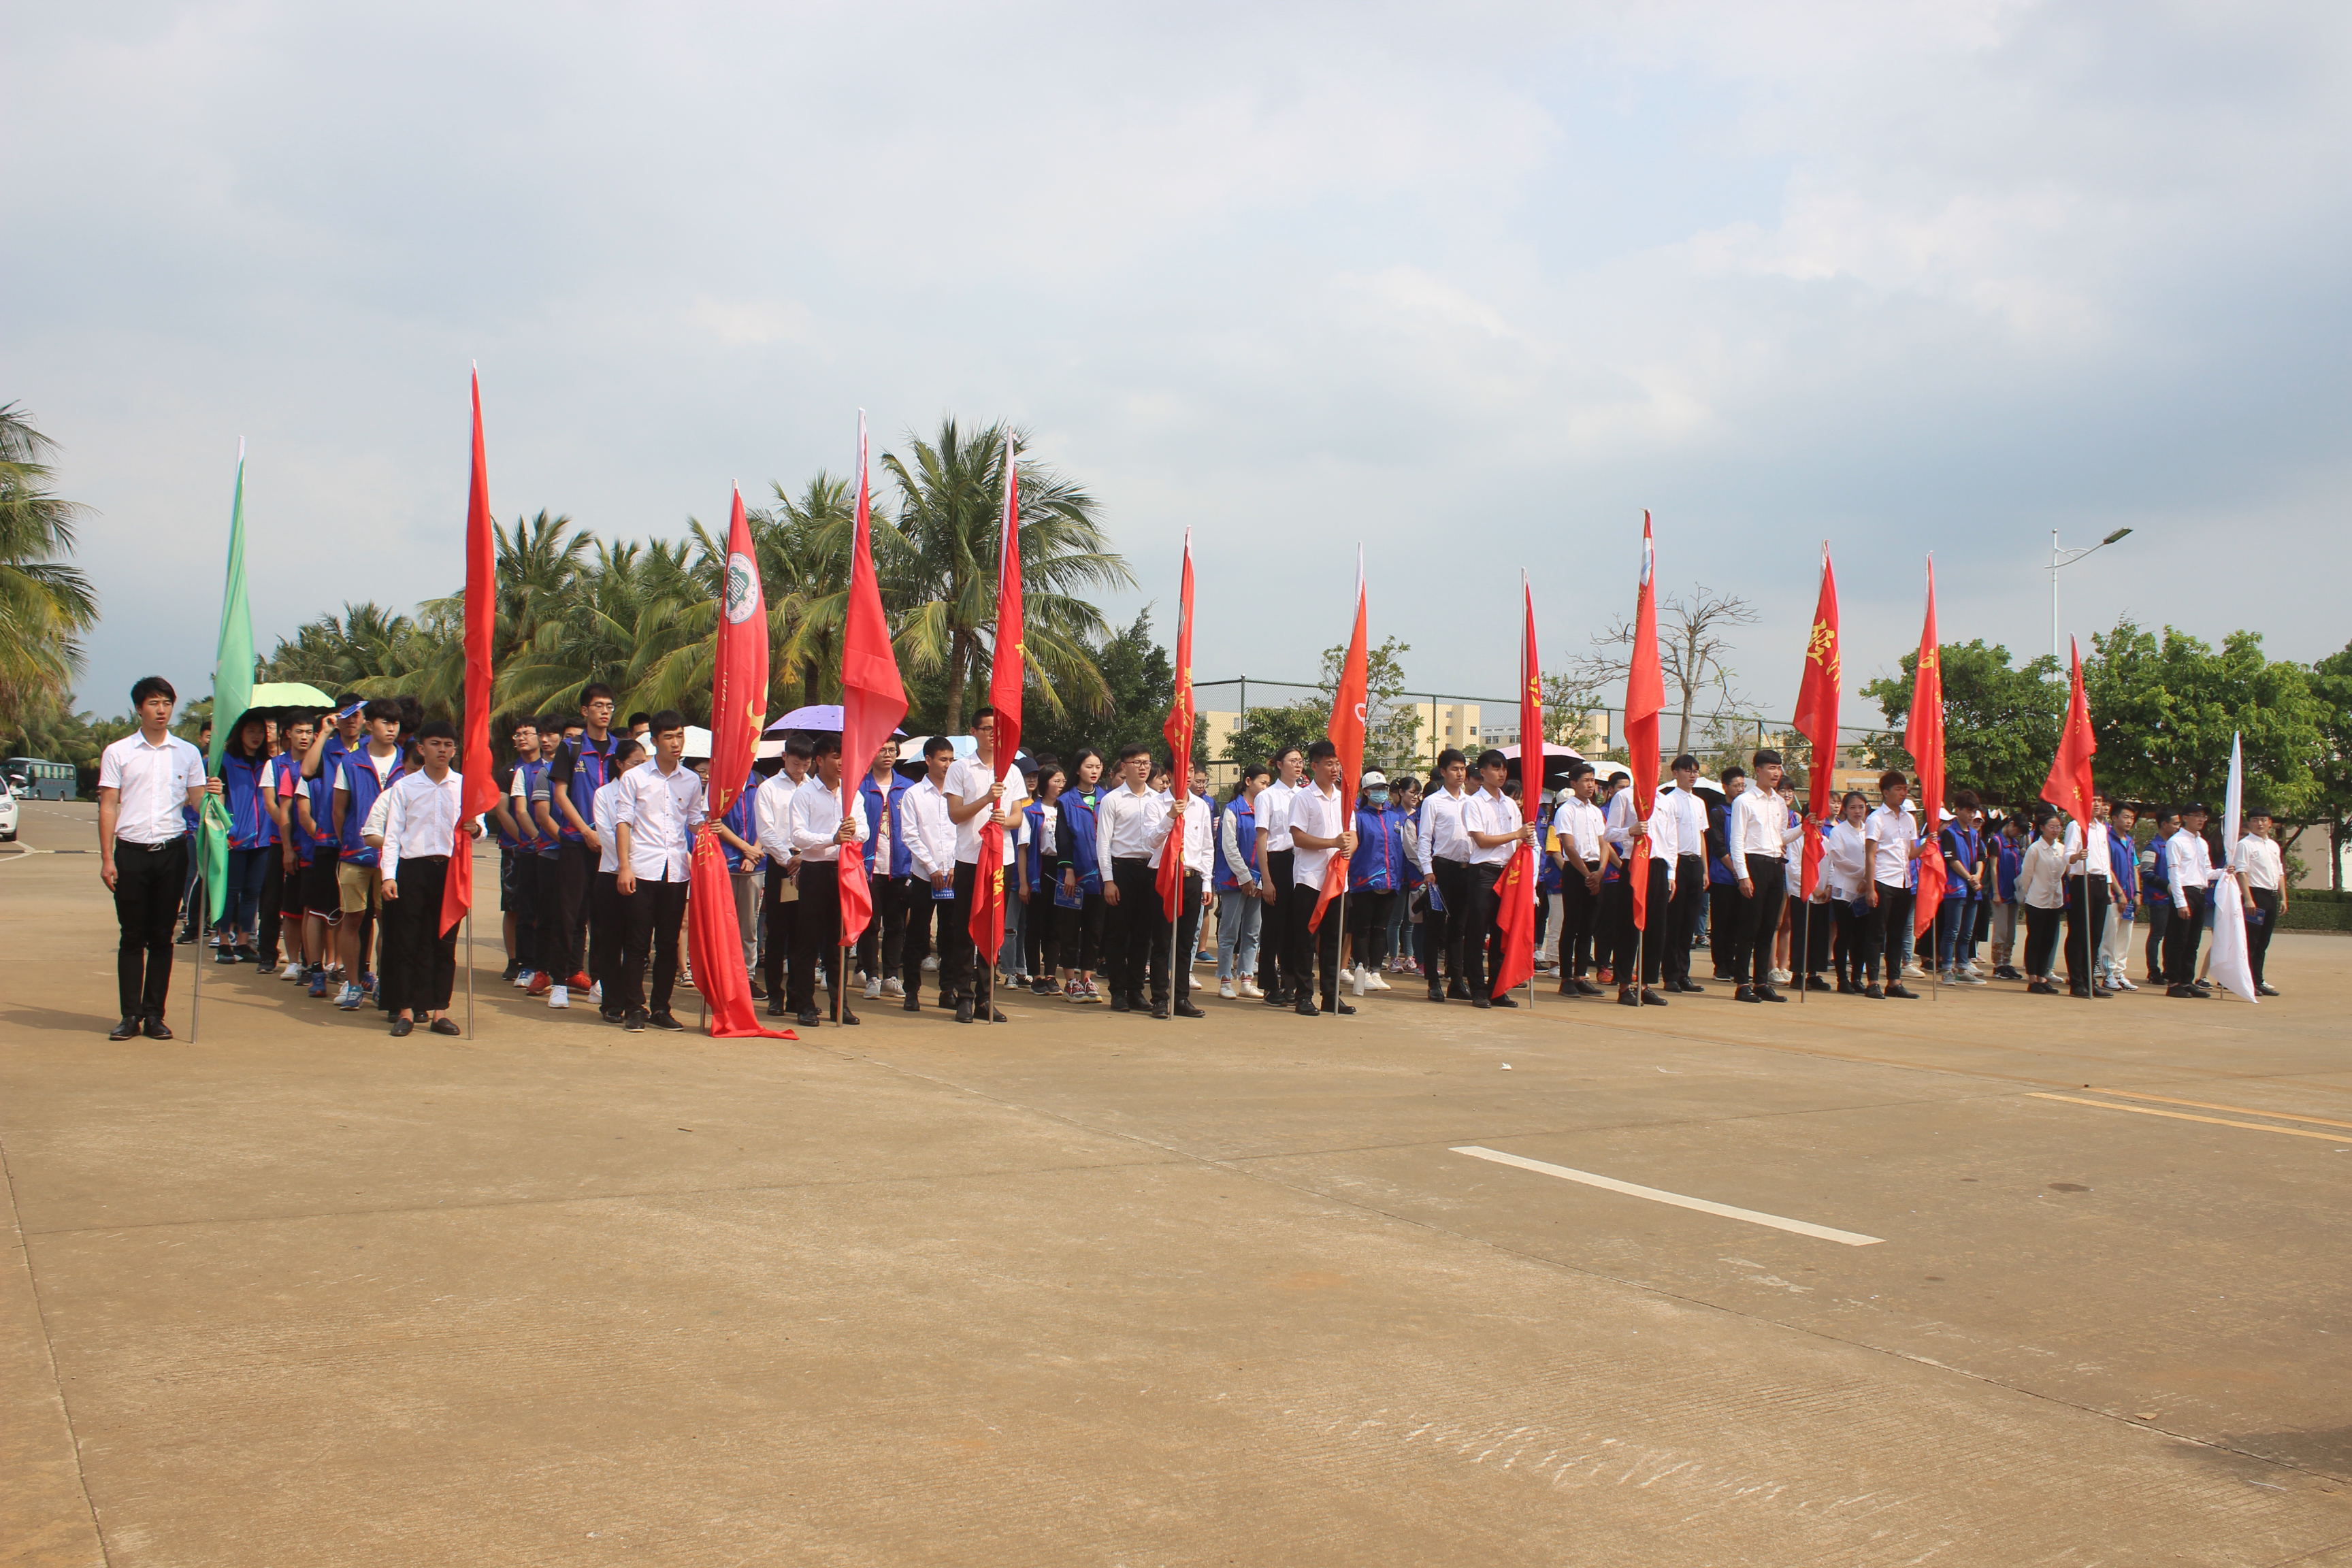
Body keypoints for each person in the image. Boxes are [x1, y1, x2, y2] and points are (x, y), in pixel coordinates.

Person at [96, 676, 208, 1039]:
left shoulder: (187, 753)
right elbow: (108, 806)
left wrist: (211, 794)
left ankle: (154, 1015)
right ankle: (130, 1015)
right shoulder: (119, 752)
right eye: (154, 703)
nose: (161, 711)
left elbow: (197, 802)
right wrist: (107, 858)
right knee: (132, 936)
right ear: (139, 708)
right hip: (131, 852)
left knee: (162, 937)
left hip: (171, 852)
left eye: (167, 703)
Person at [378, 719, 475, 1036]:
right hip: (412, 868)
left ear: (455, 750)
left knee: (444, 943)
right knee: (406, 942)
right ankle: (405, 1010)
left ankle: (439, 1011)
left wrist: (477, 828)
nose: (442, 750)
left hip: (449, 872)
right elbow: (392, 835)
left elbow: (478, 827)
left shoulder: (463, 786)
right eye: (435, 744)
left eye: (448, 745)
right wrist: (388, 876)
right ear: (422, 748)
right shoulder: (405, 787)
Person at [612, 711, 702, 1032]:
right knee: (637, 942)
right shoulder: (635, 778)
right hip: (643, 867)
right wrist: (624, 866)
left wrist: (710, 825)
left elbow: (693, 820)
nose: (676, 743)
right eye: (668, 737)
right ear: (654, 741)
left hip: (676, 870)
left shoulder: (691, 780)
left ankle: (662, 1007)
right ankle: (634, 1007)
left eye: (679, 736)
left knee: (668, 942)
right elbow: (624, 822)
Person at [538, 683, 623, 1011]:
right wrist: (585, 832)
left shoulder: (619, 748)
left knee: (604, 918)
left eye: (609, 705)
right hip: (576, 842)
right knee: (568, 914)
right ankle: (559, 980)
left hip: (612, 847)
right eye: (598, 705)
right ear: (585, 711)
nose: (605, 711)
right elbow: (560, 794)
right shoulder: (571, 748)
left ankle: (599, 981)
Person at [941, 708, 1026, 1024]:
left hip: (999, 860)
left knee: (993, 930)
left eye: (997, 729)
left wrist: (1007, 819)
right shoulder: (961, 769)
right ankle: (963, 995)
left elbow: (1018, 816)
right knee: (966, 929)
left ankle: (987, 997)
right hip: (970, 859)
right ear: (974, 731)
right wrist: (987, 799)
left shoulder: (1012, 771)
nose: (993, 734)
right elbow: (956, 814)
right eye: (987, 728)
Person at [781, 735, 870, 1026]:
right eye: (836, 756)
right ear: (819, 760)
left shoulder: (852, 794)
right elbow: (798, 836)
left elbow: (865, 832)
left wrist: (854, 831)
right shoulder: (805, 795)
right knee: (807, 941)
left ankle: (839, 1004)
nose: (842, 762)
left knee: (839, 942)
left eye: (845, 756)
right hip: (815, 871)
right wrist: (830, 839)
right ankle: (804, 1004)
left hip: (844, 872)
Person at [1096, 743, 1171, 1015]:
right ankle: (1117, 991)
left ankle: (1136, 990)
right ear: (1124, 766)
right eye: (1137, 762)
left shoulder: (1159, 799)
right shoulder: (1112, 800)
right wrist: (1108, 880)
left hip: (1150, 870)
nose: (1143, 767)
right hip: (1122, 869)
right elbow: (1103, 843)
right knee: (1119, 933)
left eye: (1147, 762)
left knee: (1144, 935)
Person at [1283, 740, 1357, 1016]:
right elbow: (1298, 837)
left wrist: (1349, 846)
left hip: (1338, 881)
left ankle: (1331, 995)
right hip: (1310, 880)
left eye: (1337, 763)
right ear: (1314, 766)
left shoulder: (1344, 798)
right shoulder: (1303, 798)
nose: (1335, 769)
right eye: (1328, 763)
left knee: (1333, 940)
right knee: (1304, 940)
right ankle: (1303, 995)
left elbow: (1352, 835)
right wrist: (1333, 843)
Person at [1601, 760, 1676, 1007]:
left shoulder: (1665, 800)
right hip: (1633, 864)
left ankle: (1645, 984)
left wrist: (1671, 873)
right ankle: (1624, 985)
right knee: (1629, 926)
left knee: (1656, 927)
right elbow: (1609, 833)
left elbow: (1671, 839)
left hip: (1657, 865)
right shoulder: (1625, 797)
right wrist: (1630, 831)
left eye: (1656, 766)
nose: (1653, 770)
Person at [1729, 750, 1803, 1003]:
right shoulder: (1745, 801)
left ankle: (1761, 981)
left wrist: (1805, 827)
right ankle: (1741, 983)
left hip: (1775, 865)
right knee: (1749, 928)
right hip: (1754, 864)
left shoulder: (1779, 803)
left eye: (1779, 768)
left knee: (1768, 927)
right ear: (1758, 771)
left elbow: (1781, 837)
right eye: (1771, 768)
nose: (1776, 773)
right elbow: (1737, 841)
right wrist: (1743, 876)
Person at [896, 736, 957, 1011]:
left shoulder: (959, 793)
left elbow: (965, 832)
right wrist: (931, 866)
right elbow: (910, 834)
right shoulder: (914, 794)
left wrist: (955, 865)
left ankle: (948, 989)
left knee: (951, 934)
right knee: (918, 934)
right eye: (943, 759)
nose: (948, 765)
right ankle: (912, 990)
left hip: (954, 875)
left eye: (951, 760)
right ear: (929, 760)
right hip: (924, 875)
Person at [586, 736, 644, 1022]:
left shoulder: (648, 790)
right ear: (620, 764)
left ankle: (634, 1000)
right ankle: (611, 1001)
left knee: (637, 942)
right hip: (611, 872)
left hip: (644, 874)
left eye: (644, 764)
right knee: (609, 941)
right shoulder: (605, 794)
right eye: (635, 764)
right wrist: (630, 859)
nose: (640, 769)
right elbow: (607, 835)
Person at [211, 713, 277, 963]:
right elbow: (217, 800)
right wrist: (223, 832)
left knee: (252, 892)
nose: (256, 736)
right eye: (250, 731)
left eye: (260, 731)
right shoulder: (227, 762)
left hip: (262, 839)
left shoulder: (268, 763)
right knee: (230, 892)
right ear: (240, 733)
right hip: (235, 838)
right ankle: (223, 942)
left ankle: (243, 942)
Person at [1150, 762, 1213, 1018]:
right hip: (1166, 877)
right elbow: (1150, 840)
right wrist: (1170, 817)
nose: (1186, 776)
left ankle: (1181, 997)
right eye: (1181, 770)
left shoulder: (1200, 806)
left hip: (1192, 878)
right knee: (1163, 941)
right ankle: (1160, 999)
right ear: (1168, 774)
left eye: (1190, 770)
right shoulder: (1156, 804)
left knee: (1186, 942)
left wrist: (1207, 882)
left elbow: (1207, 847)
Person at [858, 738, 915, 1000]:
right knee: (870, 924)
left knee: (896, 924)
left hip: (899, 866)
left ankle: (892, 975)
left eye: (892, 750)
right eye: (882, 750)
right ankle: (871, 976)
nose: (887, 755)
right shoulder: (860, 786)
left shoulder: (907, 788)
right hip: (868, 865)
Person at [1345, 770, 1410, 996]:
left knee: (1381, 928)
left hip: (1391, 881)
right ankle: (1362, 970)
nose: (1381, 793)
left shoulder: (1395, 818)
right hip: (1365, 881)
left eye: (1384, 789)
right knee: (1362, 929)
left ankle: (1376, 971)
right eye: (1376, 789)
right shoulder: (1359, 817)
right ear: (1365, 792)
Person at [1417, 748, 1474, 1003]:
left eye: (1462, 768)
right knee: (1435, 927)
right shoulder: (1434, 802)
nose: (1460, 773)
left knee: (1459, 928)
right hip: (1442, 870)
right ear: (1443, 772)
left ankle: (1457, 980)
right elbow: (1424, 838)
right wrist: (1428, 871)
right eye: (1454, 769)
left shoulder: (1471, 801)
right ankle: (1433, 981)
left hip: (1467, 869)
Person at [1859, 770, 1922, 1000]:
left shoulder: (1909, 818)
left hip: (1904, 881)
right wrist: (1870, 887)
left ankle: (1894, 981)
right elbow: (1870, 854)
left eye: (1905, 788)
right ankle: (1873, 981)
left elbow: (1912, 853)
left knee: (1897, 934)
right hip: (1883, 880)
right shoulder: (1876, 819)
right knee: (1877, 933)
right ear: (1885, 792)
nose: (1903, 793)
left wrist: (1930, 843)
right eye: (1898, 789)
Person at [1550, 763, 1610, 997]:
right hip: (1577, 871)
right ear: (1573, 784)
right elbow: (1569, 846)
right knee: (1572, 924)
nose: (1590, 785)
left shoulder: (1596, 812)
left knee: (1589, 926)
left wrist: (1601, 870)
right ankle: (1566, 977)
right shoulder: (1567, 810)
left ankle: (1581, 975)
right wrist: (1587, 875)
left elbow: (1603, 843)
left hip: (1596, 869)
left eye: (1592, 780)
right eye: (1585, 780)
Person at [1054, 749, 1109, 1002]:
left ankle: (1087, 978)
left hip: (1101, 876)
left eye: (1098, 766)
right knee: (1069, 928)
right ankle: (1070, 981)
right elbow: (1063, 839)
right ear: (1078, 770)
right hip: (1074, 876)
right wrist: (1068, 870)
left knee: (1094, 928)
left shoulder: (1107, 799)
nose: (1094, 771)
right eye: (1089, 766)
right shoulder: (1066, 801)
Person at [1256, 746, 1307, 1006]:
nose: (1298, 765)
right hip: (1276, 862)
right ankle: (1268, 985)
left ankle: (1291, 984)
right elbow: (1262, 839)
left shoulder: (1305, 795)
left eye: (1301, 761)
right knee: (1273, 928)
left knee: (1295, 928)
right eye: (1293, 761)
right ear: (1279, 765)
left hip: (1300, 863)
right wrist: (1266, 879)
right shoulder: (1268, 797)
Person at [1655, 756, 1712, 994]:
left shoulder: (1699, 802)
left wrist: (1706, 869)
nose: (1692, 775)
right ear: (1675, 772)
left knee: (1690, 921)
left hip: (1694, 862)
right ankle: (1670, 975)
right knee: (1674, 921)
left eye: (1696, 771)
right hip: (1676, 861)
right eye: (1688, 771)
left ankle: (1684, 973)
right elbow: (1668, 836)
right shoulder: (1669, 801)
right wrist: (1671, 868)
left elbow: (1701, 836)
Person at [707, 762, 764, 990]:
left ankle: (747, 977)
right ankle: (724, 975)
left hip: (756, 864)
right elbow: (715, 823)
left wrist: (753, 854)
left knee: (749, 925)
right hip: (725, 862)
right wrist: (744, 848)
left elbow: (767, 823)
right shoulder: (719, 784)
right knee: (723, 923)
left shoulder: (760, 784)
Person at [1215, 765, 1268, 998]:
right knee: (1229, 933)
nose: (1266, 787)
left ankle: (1246, 979)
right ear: (1248, 781)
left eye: (1268, 784)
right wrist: (1245, 877)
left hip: (1258, 881)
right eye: (1262, 783)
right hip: (1234, 881)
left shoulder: (1266, 810)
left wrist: (1262, 879)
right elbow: (1229, 847)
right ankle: (1225, 980)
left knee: (1253, 932)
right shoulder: (1233, 809)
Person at [2059, 792, 2119, 999]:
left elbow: (2105, 860)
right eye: (2093, 801)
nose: (2097, 805)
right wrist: (2077, 856)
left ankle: (2089, 979)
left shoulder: (2102, 828)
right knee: (2079, 933)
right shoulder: (2077, 826)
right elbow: (2067, 856)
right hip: (2083, 880)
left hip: (2101, 882)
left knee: (2095, 935)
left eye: (2099, 802)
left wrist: (2109, 887)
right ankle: (2077, 982)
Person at [1019, 761, 1066, 995]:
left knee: (1055, 925)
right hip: (1038, 869)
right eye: (1056, 781)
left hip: (1061, 869)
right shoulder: (1031, 812)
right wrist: (1024, 883)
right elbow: (1023, 849)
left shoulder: (1066, 810)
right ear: (1045, 783)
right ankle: (1035, 975)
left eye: (1063, 781)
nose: (1060, 785)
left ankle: (1050, 975)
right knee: (1034, 926)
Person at [1818, 791, 1872, 993]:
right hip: (1845, 890)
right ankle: (1842, 979)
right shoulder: (1839, 832)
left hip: (1866, 890)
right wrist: (1862, 873)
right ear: (1845, 810)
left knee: (1862, 936)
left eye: (1861, 807)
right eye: (1853, 807)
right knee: (1845, 934)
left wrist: (1868, 879)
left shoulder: (1869, 831)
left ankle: (1857, 977)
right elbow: (1838, 858)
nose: (1857, 811)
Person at [2163, 803, 2217, 998]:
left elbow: (2207, 871)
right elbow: (2174, 873)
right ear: (2185, 817)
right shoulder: (2176, 841)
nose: (2201, 820)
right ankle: (2174, 981)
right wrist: (2181, 902)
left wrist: (2225, 872)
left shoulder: (2202, 842)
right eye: (2197, 816)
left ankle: (2187, 980)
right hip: (2184, 892)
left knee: (2193, 940)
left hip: (2200, 892)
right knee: (2179, 939)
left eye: (2203, 816)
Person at [1936, 791, 1988, 985]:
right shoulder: (1949, 833)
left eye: (1973, 811)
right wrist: (1969, 877)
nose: (1970, 815)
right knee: (1952, 930)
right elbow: (1952, 860)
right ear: (1957, 810)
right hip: (1956, 888)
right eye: (1967, 810)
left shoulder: (1975, 835)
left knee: (1967, 932)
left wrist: (1978, 876)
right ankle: (1947, 969)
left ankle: (1963, 967)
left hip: (1973, 889)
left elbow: (1982, 858)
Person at [2016, 809, 2070, 994]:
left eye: (2058, 827)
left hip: (2054, 900)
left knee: (2048, 940)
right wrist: (2026, 895)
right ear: (2042, 828)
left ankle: (2042, 976)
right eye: (2051, 827)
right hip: (2036, 900)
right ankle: (2032, 978)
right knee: (2035, 939)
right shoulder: (2035, 849)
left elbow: (2068, 868)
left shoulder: (2062, 849)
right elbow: (2026, 876)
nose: (2055, 830)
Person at [1706, 764, 1748, 981]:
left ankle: (1733, 963)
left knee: (1738, 922)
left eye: (1743, 785)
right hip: (1723, 875)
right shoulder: (1719, 812)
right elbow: (1719, 845)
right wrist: (1735, 869)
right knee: (1722, 921)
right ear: (1725, 787)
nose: (1741, 789)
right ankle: (1720, 964)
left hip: (1743, 876)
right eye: (1736, 785)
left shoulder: (1745, 810)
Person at [2238, 806, 2284, 996]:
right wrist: (2248, 899)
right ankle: (2248, 980)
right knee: (2252, 940)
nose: (2260, 824)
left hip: (2271, 896)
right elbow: (2242, 872)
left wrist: (2283, 898)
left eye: (2263, 820)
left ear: (2270, 823)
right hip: (2256, 895)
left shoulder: (2273, 845)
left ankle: (2259, 979)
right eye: (2255, 820)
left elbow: (2280, 872)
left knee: (2264, 941)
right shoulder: (2246, 844)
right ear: (2249, 823)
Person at [2102, 802, 2142, 991]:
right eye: (2125, 817)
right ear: (2114, 818)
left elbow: (2135, 868)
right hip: (2114, 896)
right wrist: (2119, 893)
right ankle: (2107, 973)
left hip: (2130, 896)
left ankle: (2119, 973)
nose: (2129, 821)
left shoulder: (2130, 841)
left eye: (2131, 818)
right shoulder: (2107, 839)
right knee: (2110, 936)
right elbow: (2108, 868)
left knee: (2125, 936)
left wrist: (2137, 893)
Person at [2139, 806, 2178, 986]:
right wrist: (2166, 885)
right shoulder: (2153, 846)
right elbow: (2146, 872)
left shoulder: (2174, 845)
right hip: (2158, 898)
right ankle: (2153, 971)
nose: (2178, 827)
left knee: (2172, 935)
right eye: (2175, 823)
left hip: (2173, 898)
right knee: (2157, 935)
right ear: (2164, 824)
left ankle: (2169, 969)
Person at [1987, 811, 2028, 980]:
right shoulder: (1996, 841)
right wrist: (1996, 892)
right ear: (2011, 824)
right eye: (2018, 830)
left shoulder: (2015, 843)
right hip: (2001, 892)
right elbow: (1993, 868)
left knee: (2011, 932)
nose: (2018, 834)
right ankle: (1998, 965)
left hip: (2013, 892)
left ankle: (2007, 961)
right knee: (2001, 931)